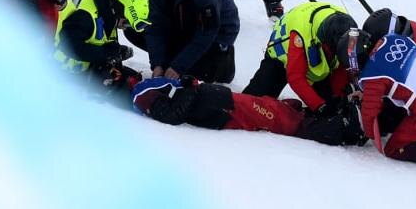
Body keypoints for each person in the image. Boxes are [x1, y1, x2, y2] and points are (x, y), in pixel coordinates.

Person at [338, 25, 416, 168]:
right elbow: (392, 74)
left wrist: (367, 134)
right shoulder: (391, 38)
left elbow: (369, 113)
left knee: (393, 148)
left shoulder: (372, 75)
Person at [131, 76, 363, 146]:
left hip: (225, 102)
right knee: (283, 122)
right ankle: (345, 125)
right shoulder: (144, 96)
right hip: (226, 109)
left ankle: (338, 116)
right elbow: (173, 116)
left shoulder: (148, 91)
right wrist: (190, 86)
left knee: (277, 109)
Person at [243, 1, 356, 114]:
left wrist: (339, 97)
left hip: (317, 63)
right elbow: (295, 77)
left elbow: (341, 67)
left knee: (333, 105)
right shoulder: (301, 34)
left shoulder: (348, 29)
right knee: (252, 104)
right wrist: (319, 105)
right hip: (281, 57)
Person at [54, 0, 151, 94]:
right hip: (59, 71)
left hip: (83, 67)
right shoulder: (87, 16)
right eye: (127, 24)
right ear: (122, 13)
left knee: (131, 80)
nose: (125, 27)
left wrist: (117, 52)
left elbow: (101, 43)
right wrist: (107, 53)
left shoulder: (108, 13)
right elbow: (68, 44)